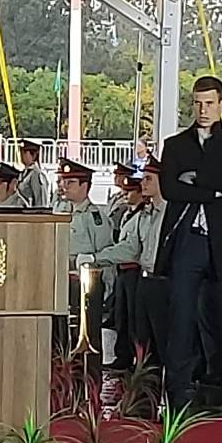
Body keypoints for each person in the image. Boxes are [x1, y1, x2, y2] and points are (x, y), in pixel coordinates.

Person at [154, 76, 222, 421]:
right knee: (181, 320)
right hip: (189, 242)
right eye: (198, 103)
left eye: (210, 103)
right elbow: (170, 188)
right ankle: (178, 398)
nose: (203, 109)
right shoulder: (176, 144)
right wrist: (215, 189)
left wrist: (197, 177)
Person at [78, 157, 168, 368]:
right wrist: (96, 258)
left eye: (148, 179)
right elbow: (130, 247)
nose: (143, 183)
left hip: (164, 283)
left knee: (164, 340)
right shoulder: (145, 214)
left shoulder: (170, 213)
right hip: (145, 281)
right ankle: (145, 386)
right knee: (141, 336)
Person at [79, 172, 145, 372]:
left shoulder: (142, 215)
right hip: (123, 272)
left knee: (135, 320)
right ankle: (122, 355)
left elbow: (129, 248)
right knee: (121, 318)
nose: (126, 194)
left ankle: (137, 359)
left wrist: (97, 257)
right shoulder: (129, 213)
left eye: (131, 190)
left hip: (134, 271)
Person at [58, 158, 114, 373]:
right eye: (64, 181)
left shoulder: (95, 216)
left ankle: (89, 379)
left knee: (88, 332)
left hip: (86, 282)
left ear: (85, 186)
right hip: (63, 278)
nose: (65, 187)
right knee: (64, 332)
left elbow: (104, 252)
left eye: (70, 182)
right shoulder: (61, 209)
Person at [16, 139, 49, 207]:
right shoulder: (24, 173)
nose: (21, 155)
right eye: (21, 151)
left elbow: (40, 200)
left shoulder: (36, 174)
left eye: (25, 152)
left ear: (34, 155)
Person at [107, 163, 134, 240]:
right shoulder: (115, 196)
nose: (115, 177)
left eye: (119, 175)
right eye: (116, 175)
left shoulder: (129, 199)